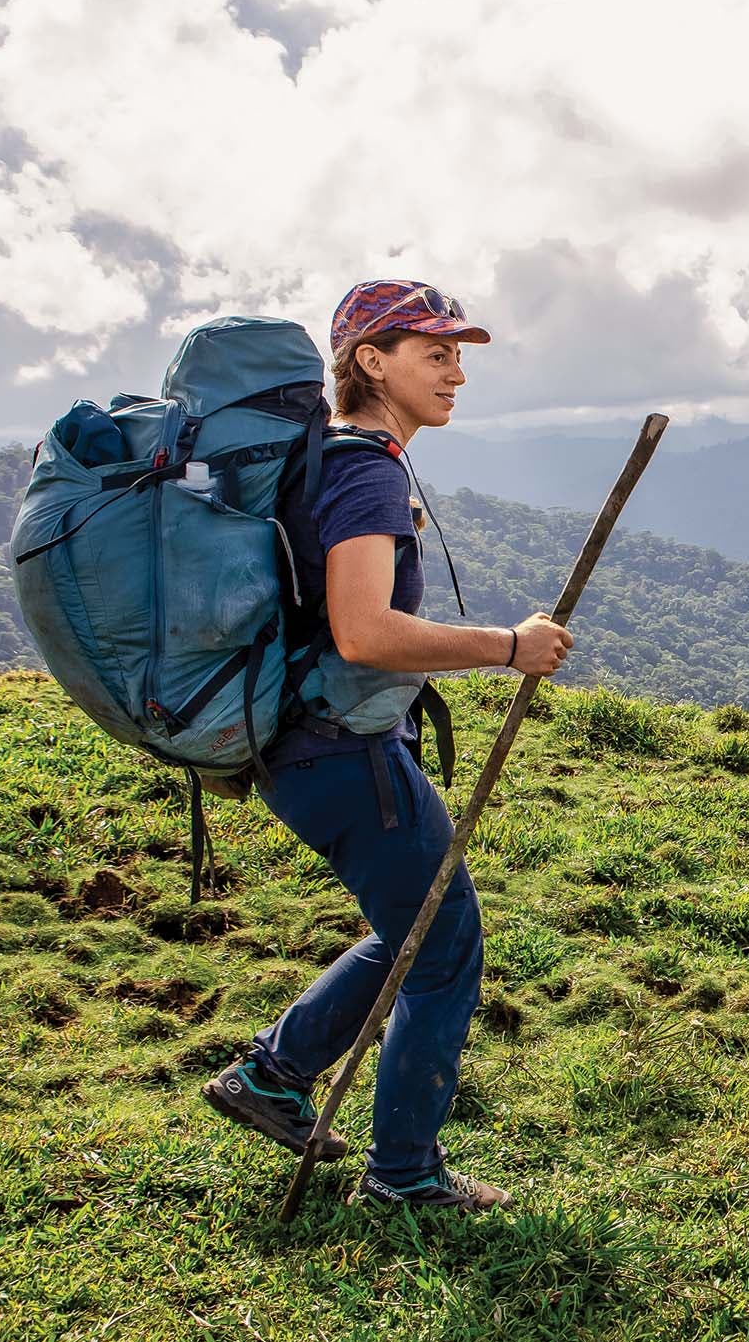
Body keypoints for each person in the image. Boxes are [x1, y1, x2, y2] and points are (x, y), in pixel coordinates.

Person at [200, 281, 571, 1213]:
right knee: (444, 945)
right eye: (434, 352)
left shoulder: (328, 459)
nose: (456, 370)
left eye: (459, 354)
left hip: (302, 742)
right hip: (345, 749)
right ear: (370, 361)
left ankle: (273, 1076)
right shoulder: (366, 469)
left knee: (417, 927)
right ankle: (403, 1173)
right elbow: (364, 631)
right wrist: (508, 648)